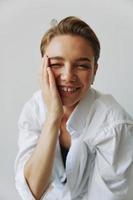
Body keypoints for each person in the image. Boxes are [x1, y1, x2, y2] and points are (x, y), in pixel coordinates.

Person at [14, 16, 133, 200]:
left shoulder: (115, 125)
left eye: (82, 65)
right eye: (56, 64)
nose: (68, 76)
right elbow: (31, 192)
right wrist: (53, 117)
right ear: (43, 67)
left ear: (94, 71)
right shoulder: (34, 109)